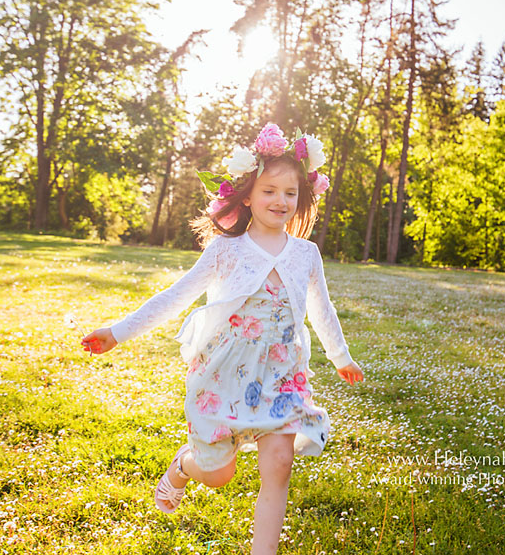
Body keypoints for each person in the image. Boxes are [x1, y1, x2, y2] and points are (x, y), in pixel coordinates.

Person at [81, 123, 364, 555]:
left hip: (283, 374)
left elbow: (322, 309)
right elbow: (177, 295)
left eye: (290, 193)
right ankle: (184, 465)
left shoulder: (306, 253)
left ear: (302, 198)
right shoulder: (226, 250)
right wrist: (119, 332)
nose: (280, 201)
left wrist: (340, 356)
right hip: (222, 373)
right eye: (269, 191)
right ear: (247, 196)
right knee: (219, 473)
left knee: (279, 465)